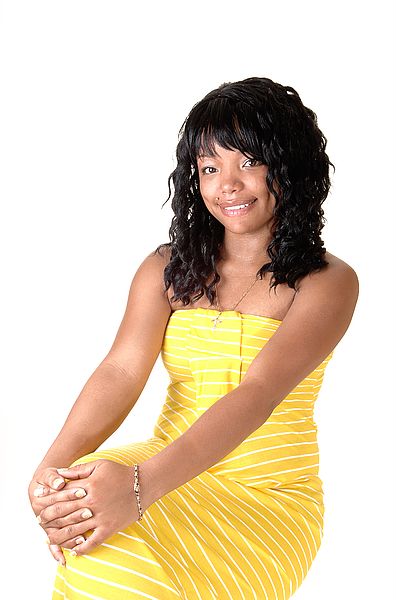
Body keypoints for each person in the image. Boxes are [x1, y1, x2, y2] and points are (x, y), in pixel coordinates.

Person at [29, 76, 359, 599]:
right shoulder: (166, 268)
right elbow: (120, 370)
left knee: (117, 566)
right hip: (160, 460)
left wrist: (137, 491)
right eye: (209, 168)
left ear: (290, 167)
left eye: (247, 161)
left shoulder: (327, 282)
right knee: (89, 534)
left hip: (264, 493)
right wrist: (51, 472)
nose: (226, 184)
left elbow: (258, 395)